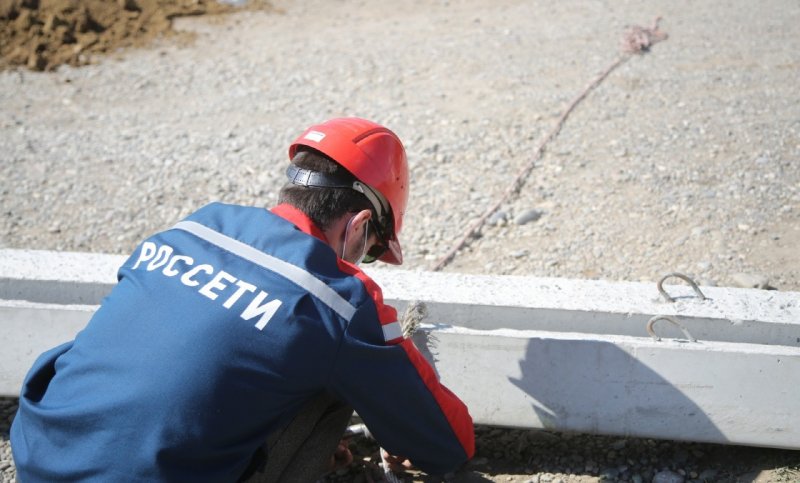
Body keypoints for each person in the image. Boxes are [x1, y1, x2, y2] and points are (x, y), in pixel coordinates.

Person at [10, 117, 475, 482]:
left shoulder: (194, 227)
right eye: (371, 249)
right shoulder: (337, 299)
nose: (364, 260)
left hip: (39, 454)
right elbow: (446, 446)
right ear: (356, 227)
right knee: (333, 376)